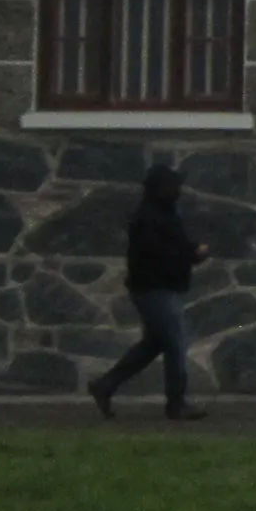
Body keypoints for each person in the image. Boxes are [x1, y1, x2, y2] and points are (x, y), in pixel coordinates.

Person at [90, 163, 203, 420]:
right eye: (172, 186)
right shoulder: (149, 217)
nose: (177, 191)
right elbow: (159, 253)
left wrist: (191, 252)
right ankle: (176, 403)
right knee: (175, 342)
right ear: (159, 189)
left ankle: (105, 386)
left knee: (153, 344)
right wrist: (190, 253)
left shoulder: (164, 214)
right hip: (153, 288)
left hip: (158, 287)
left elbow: (173, 247)